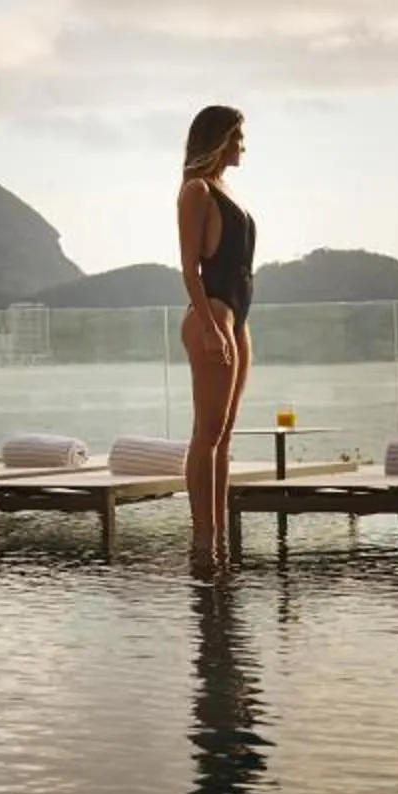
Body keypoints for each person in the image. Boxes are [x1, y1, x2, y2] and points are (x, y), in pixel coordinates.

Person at [176, 104, 255, 575]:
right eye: (238, 136)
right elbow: (189, 267)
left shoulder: (227, 190)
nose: (244, 145)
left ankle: (220, 536)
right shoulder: (196, 190)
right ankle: (202, 541)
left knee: (223, 436)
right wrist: (209, 325)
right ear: (220, 138)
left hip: (237, 317)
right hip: (214, 314)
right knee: (206, 433)